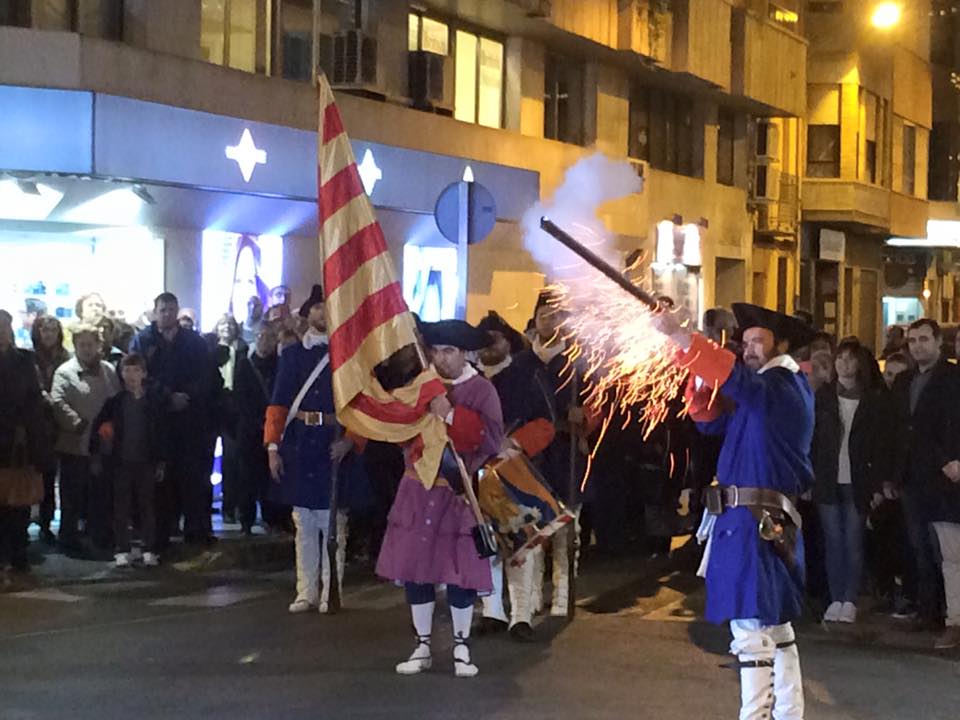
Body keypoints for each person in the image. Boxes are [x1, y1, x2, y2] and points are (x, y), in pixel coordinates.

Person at [657, 302, 815, 720]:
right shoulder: (768, 388)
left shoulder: (780, 385)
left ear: (782, 345)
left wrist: (682, 339)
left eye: (758, 341)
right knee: (774, 626)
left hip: (754, 522)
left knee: (750, 629)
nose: (749, 349)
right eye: (745, 343)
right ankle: (788, 714)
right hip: (753, 520)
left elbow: (737, 384)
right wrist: (698, 365)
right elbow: (709, 419)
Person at [376, 320, 504, 678]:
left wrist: (449, 412)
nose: (441, 358)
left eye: (449, 351)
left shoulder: (482, 390)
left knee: (459, 570)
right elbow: (400, 431)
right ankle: (422, 646)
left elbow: (490, 441)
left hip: (458, 492)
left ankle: (461, 646)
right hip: (418, 488)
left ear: (465, 354)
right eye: (436, 351)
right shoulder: (420, 384)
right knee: (416, 569)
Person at [264, 286, 354, 613]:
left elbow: (360, 406)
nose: (322, 313)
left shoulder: (348, 358)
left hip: (333, 440)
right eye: (317, 307)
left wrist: (351, 440)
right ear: (308, 313)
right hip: (301, 442)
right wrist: (273, 447)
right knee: (303, 522)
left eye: (327, 307)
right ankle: (306, 591)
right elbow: (278, 403)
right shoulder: (292, 356)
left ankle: (331, 590)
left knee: (332, 523)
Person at [475, 311, 555, 642]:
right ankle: (492, 610)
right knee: (485, 542)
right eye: (484, 341)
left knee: (522, 542)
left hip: (517, 470)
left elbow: (546, 422)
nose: (488, 347)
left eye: (494, 339)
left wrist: (516, 442)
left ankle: (521, 615)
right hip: (478, 471)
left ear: (507, 342)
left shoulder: (526, 376)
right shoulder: (471, 379)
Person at [515, 290, 592, 617]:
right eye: (544, 316)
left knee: (565, 528)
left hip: (565, 450)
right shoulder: (522, 363)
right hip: (530, 454)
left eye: (556, 316)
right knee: (530, 527)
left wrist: (584, 416)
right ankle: (531, 596)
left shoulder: (577, 361)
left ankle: (563, 595)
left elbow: (596, 403)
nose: (550, 322)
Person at [811, 338, 896, 624]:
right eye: (840, 358)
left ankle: (849, 599)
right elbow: (813, 440)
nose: (844, 364)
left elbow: (881, 445)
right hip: (828, 478)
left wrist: (878, 483)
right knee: (833, 541)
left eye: (849, 359)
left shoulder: (873, 399)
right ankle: (835, 598)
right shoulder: (824, 397)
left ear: (859, 364)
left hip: (858, 480)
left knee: (853, 540)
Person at [891, 319, 960, 649]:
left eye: (923, 339)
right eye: (912, 341)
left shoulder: (952, 378)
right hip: (912, 476)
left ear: (938, 342)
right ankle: (927, 609)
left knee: (946, 550)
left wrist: (953, 459)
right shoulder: (904, 381)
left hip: (943, 475)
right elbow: (896, 428)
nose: (917, 346)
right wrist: (892, 474)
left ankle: (950, 615)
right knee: (918, 546)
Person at [131, 293, 217, 547]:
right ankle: (160, 532)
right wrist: (167, 397)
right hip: (157, 419)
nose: (167, 314)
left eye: (171, 309)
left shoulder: (193, 341)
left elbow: (206, 375)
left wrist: (187, 396)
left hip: (190, 420)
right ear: (155, 311)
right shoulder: (143, 340)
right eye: (163, 310)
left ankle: (196, 530)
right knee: (160, 478)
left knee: (194, 476)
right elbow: (138, 375)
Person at [51, 324, 121, 555]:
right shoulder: (65, 372)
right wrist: (77, 423)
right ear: (75, 345)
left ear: (99, 345)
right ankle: (69, 539)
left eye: (91, 344)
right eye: (82, 345)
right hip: (75, 444)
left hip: (102, 444)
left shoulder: (109, 370)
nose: (87, 349)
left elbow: (117, 400)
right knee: (72, 496)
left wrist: (111, 426)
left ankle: (99, 536)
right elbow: (57, 402)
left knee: (100, 494)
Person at [90, 353, 166, 568]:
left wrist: (161, 461)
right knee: (121, 507)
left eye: (136, 370)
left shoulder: (153, 402)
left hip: (146, 461)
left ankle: (149, 548)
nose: (131, 375)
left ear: (144, 374)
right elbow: (98, 428)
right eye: (127, 370)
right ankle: (122, 548)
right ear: (121, 374)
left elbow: (161, 434)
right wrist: (98, 453)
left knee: (147, 506)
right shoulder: (115, 403)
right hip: (121, 462)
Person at [0, 310, 52, 572]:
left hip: (19, 441)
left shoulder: (23, 360)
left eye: (4, 328)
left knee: (18, 500)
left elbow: (34, 399)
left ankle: (18, 550)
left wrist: (28, 431)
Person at [234, 324, 286, 534]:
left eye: (270, 337)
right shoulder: (245, 365)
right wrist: (256, 421)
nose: (265, 341)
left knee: (271, 476)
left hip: (274, 429)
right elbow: (240, 398)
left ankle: (272, 518)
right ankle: (246, 520)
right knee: (247, 476)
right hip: (250, 430)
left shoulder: (282, 365)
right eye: (261, 336)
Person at [31, 315, 70, 543]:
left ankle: (54, 523)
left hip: (62, 425)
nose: (48, 334)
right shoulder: (29, 357)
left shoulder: (66, 357)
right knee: (41, 476)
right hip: (38, 425)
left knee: (61, 478)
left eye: (53, 330)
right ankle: (39, 523)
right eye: (44, 330)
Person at [213, 314, 248, 525]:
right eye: (223, 324)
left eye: (230, 324)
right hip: (213, 406)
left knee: (232, 460)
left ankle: (230, 505)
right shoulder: (209, 349)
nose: (226, 327)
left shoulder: (243, 350)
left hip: (234, 409)